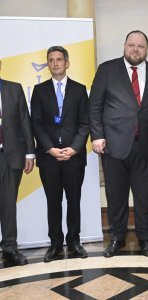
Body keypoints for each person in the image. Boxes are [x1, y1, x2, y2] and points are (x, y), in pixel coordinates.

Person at [89, 30, 148, 258]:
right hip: (113, 145)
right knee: (116, 196)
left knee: (145, 196)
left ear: (147, 49)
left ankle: (145, 239)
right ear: (124, 47)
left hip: (146, 146)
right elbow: (94, 105)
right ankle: (117, 238)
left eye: (140, 46)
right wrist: (97, 136)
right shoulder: (106, 70)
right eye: (131, 45)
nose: (136, 49)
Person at [31, 46, 89, 262]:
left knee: (74, 201)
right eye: (51, 60)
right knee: (53, 202)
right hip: (49, 158)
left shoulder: (80, 89)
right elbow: (36, 124)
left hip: (74, 157)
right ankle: (55, 244)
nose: (55, 63)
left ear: (67, 63)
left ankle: (74, 242)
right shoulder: (39, 91)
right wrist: (51, 149)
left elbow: (85, 123)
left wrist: (74, 148)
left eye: (59, 59)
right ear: (48, 64)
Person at [0, 60, 35, 265]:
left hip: (11, 155)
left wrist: (30, 153)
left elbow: (24, 120)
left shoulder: (14, 89)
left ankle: (10, 248)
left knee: (8, 204)